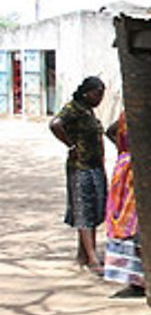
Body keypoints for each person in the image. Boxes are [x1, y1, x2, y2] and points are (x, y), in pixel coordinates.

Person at [103, 81, 151, 293]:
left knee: (129, 224)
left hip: (124, 173)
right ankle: (141, 278)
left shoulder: (131, 115)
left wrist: (125, 151)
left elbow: (110, 131)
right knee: (138, 225)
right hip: (141, 177)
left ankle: (135, 278)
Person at [49, 76, 107, 275]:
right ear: (86, 93)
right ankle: (92, 258)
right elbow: (55, 124)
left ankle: (83, 253)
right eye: (97, 94)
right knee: (84, 210)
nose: (100, 98)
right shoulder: (73, 108)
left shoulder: (88, 112)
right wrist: (71, 145)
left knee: (96, 208)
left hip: (95, 166)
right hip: (80, 167)